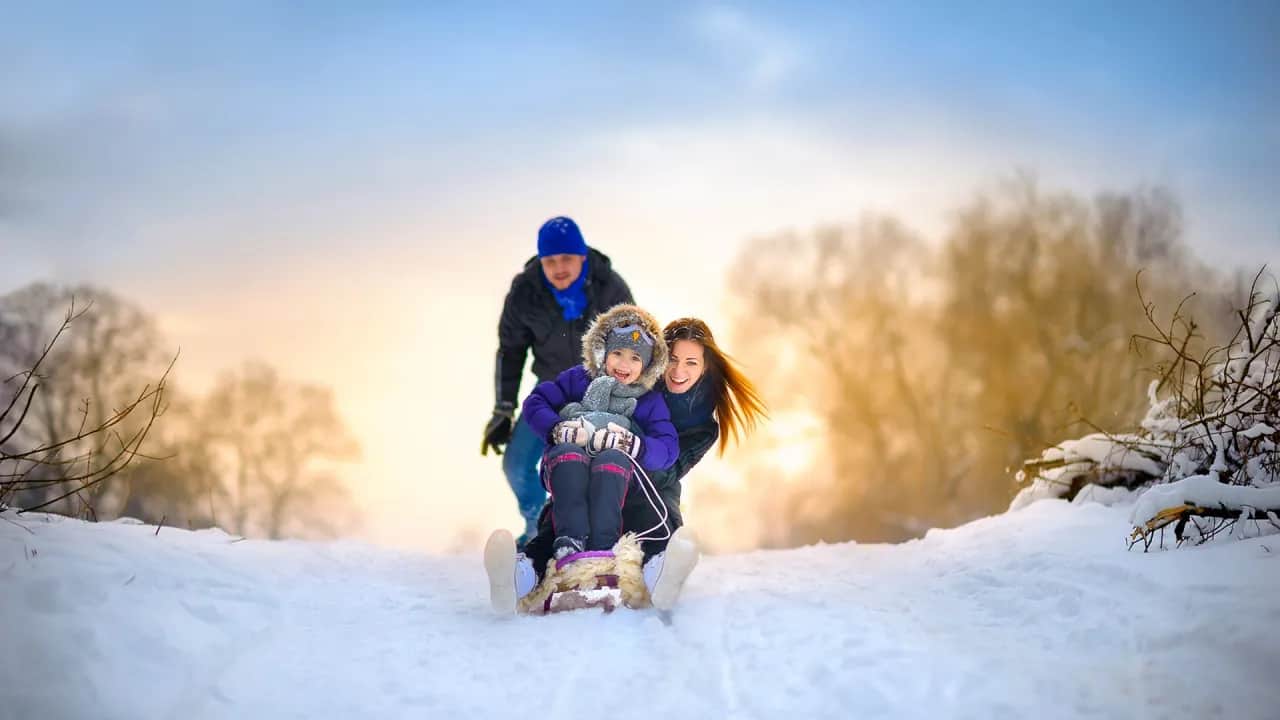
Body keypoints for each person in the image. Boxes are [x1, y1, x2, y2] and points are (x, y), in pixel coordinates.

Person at [485, 316, 767, 612]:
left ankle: (662, 576)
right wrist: (562, 430)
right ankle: (519, 575)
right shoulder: (637, 380)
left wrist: (631, 445)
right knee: (561, 517)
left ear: (705, 366)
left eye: (691, 363)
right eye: (672, 359)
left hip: (648, 488)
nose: (678, 371)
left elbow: (667, 468)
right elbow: (544, 401)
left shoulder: (701, 424)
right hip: (592, 471)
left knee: (653, 523)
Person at [481, 216, 634, 545]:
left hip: (601, 393)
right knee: (516, 466)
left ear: (581, 256)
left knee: (592, 468)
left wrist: (632, 400)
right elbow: (511, 351)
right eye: (550, 261)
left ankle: (601, 537)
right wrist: (503, 409)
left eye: (566, 258)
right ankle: (541, 526)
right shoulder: (525, 291)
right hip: (550, 392)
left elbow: (634, 345)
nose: (559, 267)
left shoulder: (610, 287)